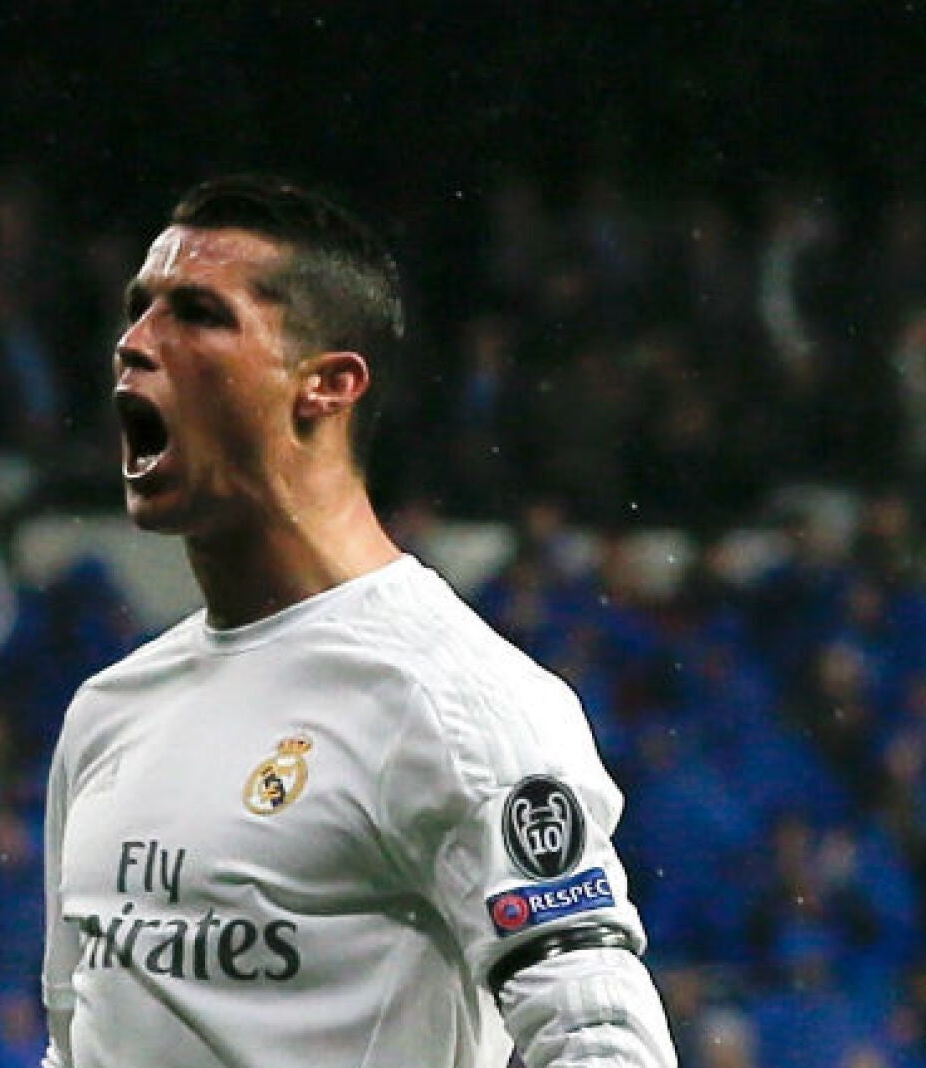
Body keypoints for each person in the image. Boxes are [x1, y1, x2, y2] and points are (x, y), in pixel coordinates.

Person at [39, 175, 676, 1068]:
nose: (134, 343)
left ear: (327, 386)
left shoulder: (455, 704)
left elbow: (600, 1045)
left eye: (196, 314)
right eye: (137, 310)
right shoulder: (109, 714)